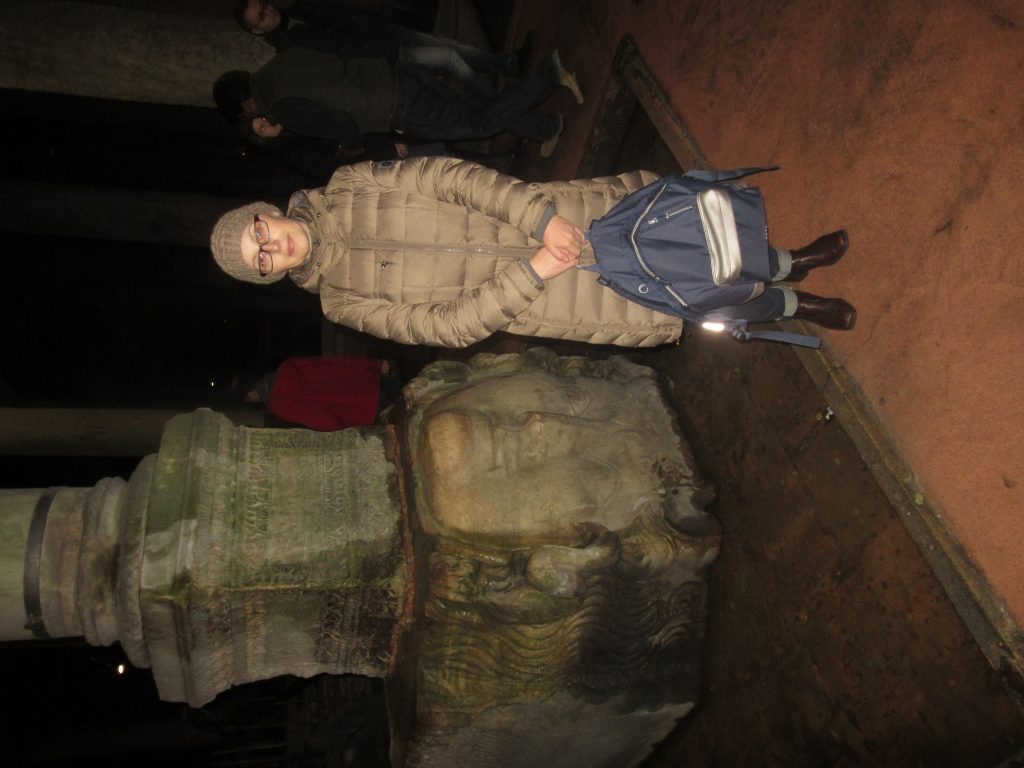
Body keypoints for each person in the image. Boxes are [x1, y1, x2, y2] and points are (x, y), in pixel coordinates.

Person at [209, 156, 856, 349]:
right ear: (268, 276)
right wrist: (534, 272)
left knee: (682, 240)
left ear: (266, 213)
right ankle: (795, 304)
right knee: (686, 296)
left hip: (553, 218)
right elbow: (444, 328)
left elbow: (448, 177)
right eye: (260, 259)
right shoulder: (341, 302)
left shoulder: (347, 184)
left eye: (259, 233)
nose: (272, 246)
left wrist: (541, 222)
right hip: (551, 292)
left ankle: (789, 261)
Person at [212, 47, 579, 156]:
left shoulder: (280, 106)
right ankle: (547, 128)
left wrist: (350, 148)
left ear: (246, 106)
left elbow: (341, 123)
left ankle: (549, 73)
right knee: (473, 111)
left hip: (394, 106)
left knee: (480, 122)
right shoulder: (280, 61)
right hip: (389, 71)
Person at [233, 0, 531, 92]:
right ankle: (496, 98)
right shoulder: (290, 50)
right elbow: (342, 55)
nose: (268, 10)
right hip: (384, 55)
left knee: (450, 46)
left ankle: (506, 64)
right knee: (449, 59)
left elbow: (346, 15)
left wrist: (381, 19)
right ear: (257, 29)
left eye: (264, 4)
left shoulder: (299, 9)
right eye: (261, 15)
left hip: (385, 32)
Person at [239, 355, 403, 430]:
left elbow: (319, 417)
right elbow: (333, 362)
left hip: (364, 409)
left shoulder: (279, 404)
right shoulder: (288, 366)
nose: (250, 401)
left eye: (247, 398)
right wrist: (375, 365)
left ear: (252, 392)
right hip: (370, 379)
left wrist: (344, 430)